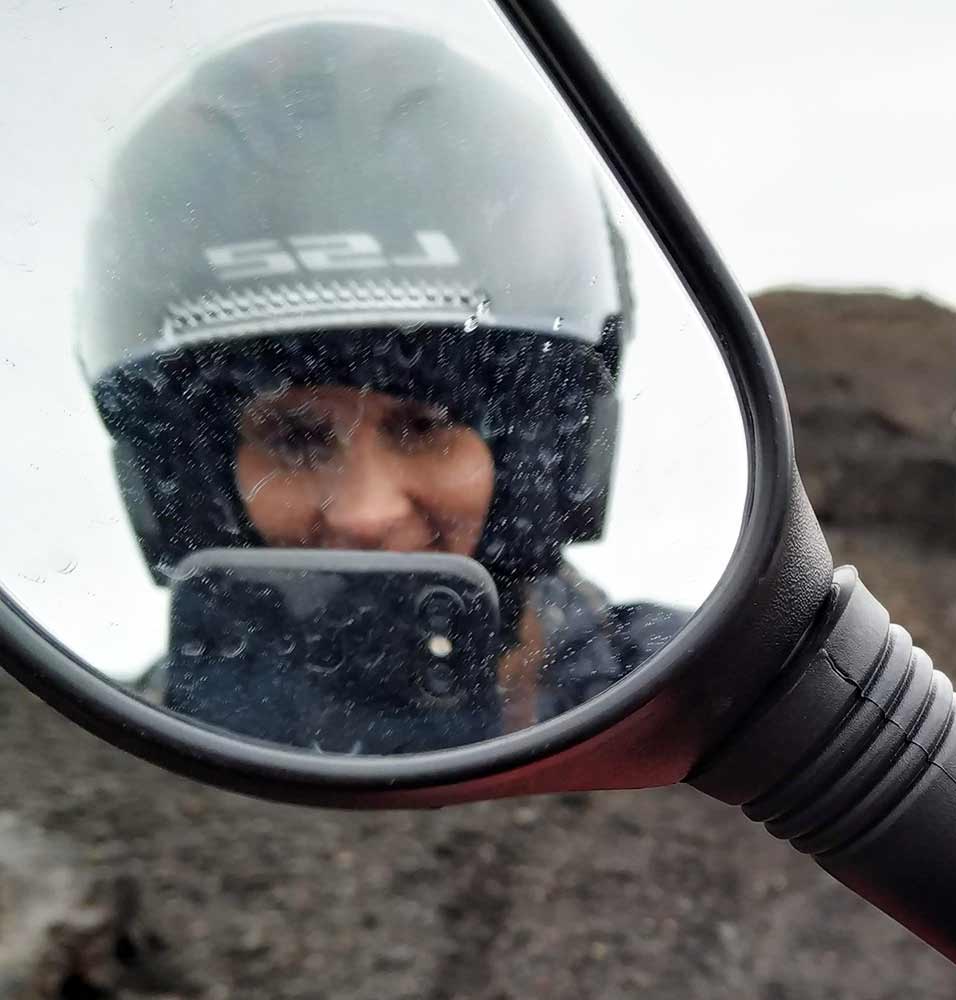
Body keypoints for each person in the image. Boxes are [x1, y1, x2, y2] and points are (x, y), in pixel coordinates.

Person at [75, 18, 684, 750]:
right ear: (187, 480)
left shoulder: (698, 700)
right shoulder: (114, 749)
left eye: (425, 426)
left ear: (544, 452)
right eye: (296, 438)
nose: (366, 514)